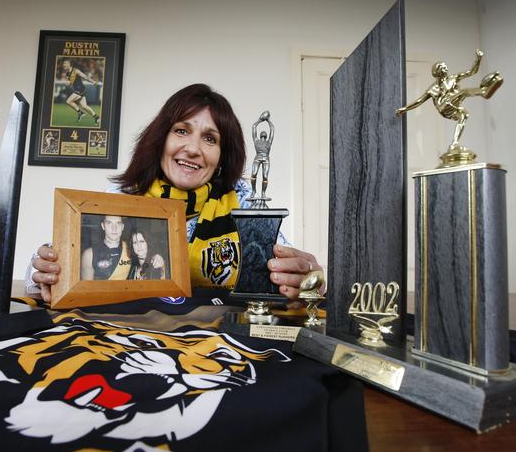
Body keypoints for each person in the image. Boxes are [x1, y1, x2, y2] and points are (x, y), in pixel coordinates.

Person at [30, 83, 321, 303]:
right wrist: (48, 272)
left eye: (210, 138)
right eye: (182, 131)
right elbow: (60, 263)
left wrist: (307, 278)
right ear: (161, 139)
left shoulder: (242, 199)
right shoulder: (122, 196)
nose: (193, 148)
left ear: (222, 155)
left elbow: (285, 269)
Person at [396, 49, 503, 148]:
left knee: (464, 115)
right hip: (444, 107)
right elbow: (419, 101)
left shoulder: (453, 79)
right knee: (464, 92)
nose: (446, 68)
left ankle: (454, 143)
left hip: (454, 104)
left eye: (446, 66)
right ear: (437, 72)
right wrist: (404, 109)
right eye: (443, 67)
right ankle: (483, 92)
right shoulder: (433, 89)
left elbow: (471, 72)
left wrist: (478, 59)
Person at [81, 215, 131, 280]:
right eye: (109, 223)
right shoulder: (89, 254)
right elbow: (86, 288)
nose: (114, 228)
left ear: (122, 227)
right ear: (103, 226)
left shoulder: (132, 249)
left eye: (118, 223)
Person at [61, 59, 100, 125]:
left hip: (81, 90)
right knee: (84, 106)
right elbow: (71, 82)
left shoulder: (76, 71)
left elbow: (85, 77)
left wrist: (92, 81)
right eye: (63, 64)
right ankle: (96, 117)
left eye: (65, 63)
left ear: (69, 64)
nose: (63, 65)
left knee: (68, 101)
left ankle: (81, 112)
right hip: (78, 90)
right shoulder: (67, 73)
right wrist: (68, 83)